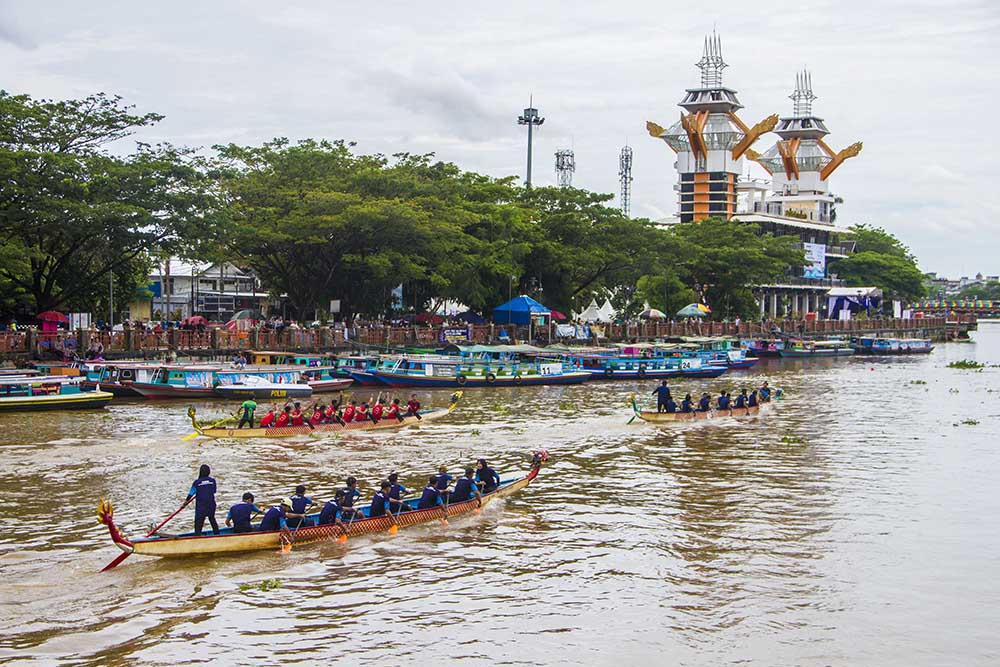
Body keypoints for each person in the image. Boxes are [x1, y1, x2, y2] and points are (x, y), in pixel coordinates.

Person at [187, 464, 219, 536]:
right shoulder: (212, 481)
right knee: (212, 519)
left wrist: (185, 503)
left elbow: (191, 494)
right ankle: (217, 534)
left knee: (199, 522)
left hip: (201, 506)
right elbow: (214, 491)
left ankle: (197, 536)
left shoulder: (197, 482)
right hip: (211, 504)